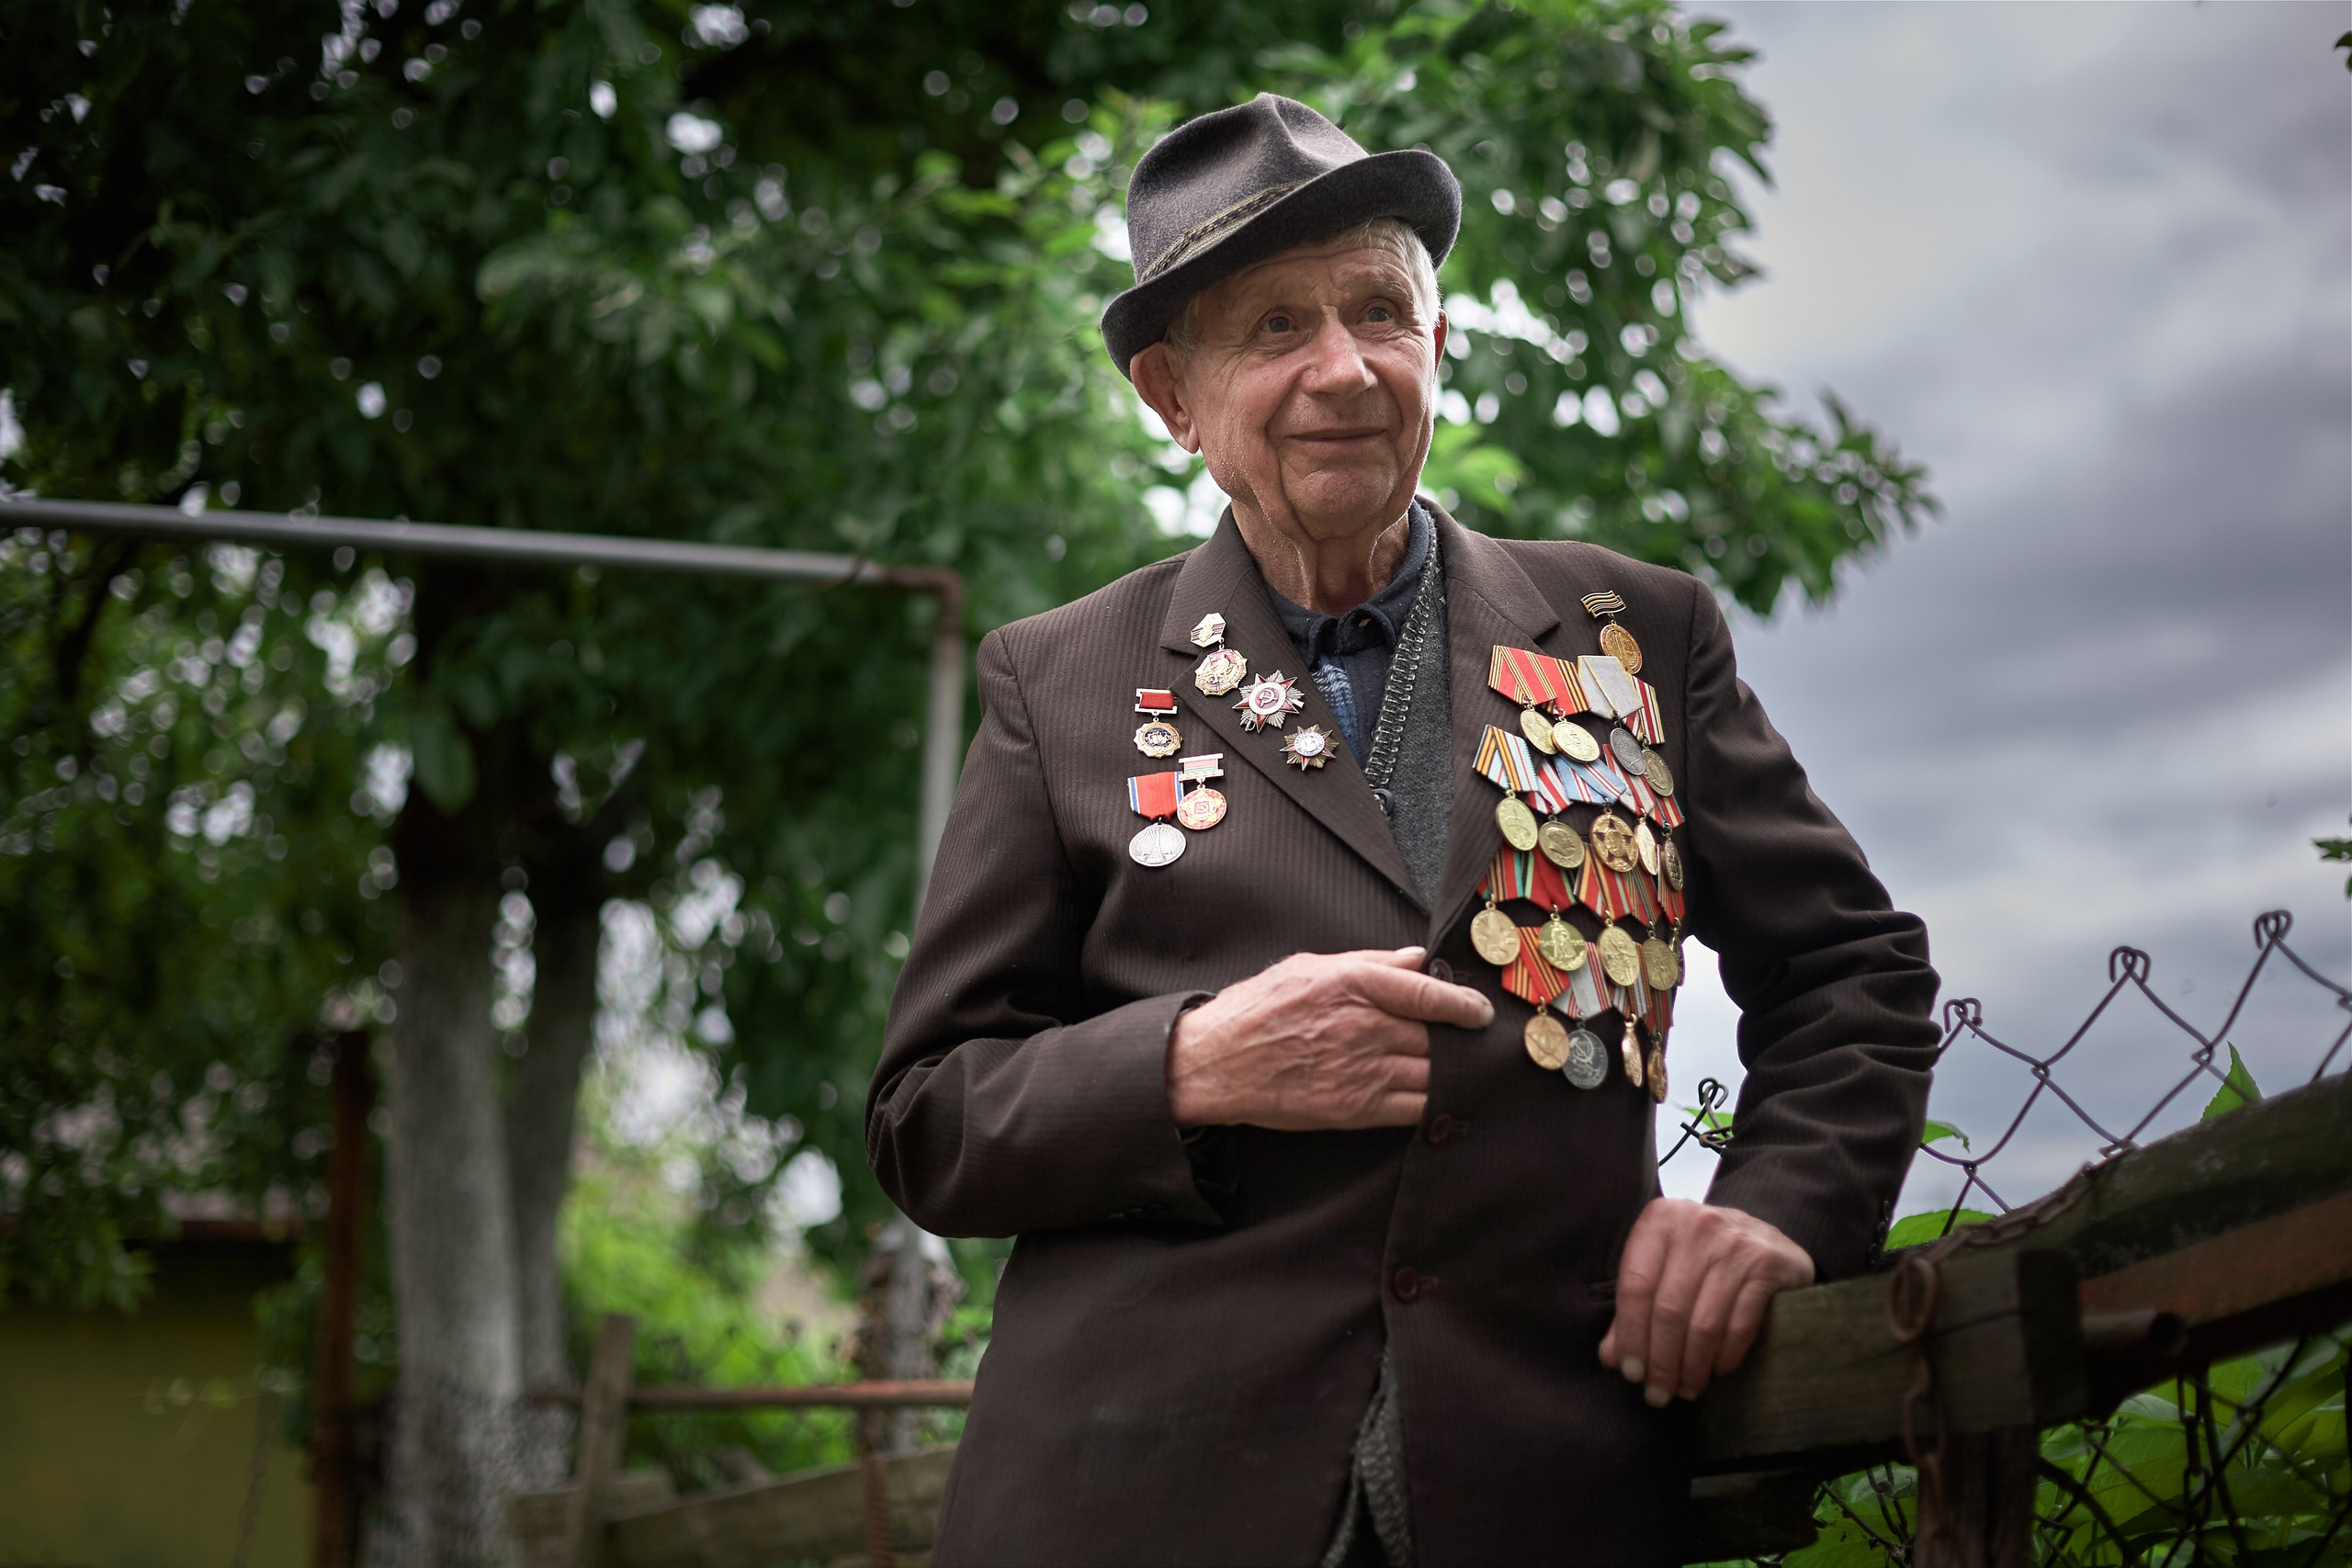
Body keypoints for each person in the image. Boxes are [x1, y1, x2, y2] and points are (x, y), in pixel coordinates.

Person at [867, 94, 1939, 1566]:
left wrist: (1778, 1212)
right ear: (1172, 397)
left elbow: (1852, 977)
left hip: (1541, 1479)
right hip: (1131, 1498)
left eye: (1382, 310)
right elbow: (928, 1117)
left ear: (1441, 347)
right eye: (1275, 328)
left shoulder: (1638, 633)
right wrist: (1190, 1063)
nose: (1343, 368)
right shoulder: (1056, 682)